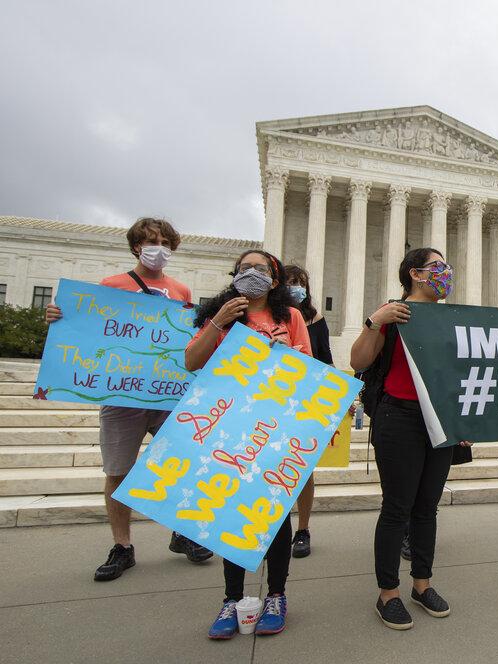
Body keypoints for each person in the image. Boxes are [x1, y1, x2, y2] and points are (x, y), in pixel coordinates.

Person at [44, 217, 213, 581]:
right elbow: (88, 328)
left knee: (181, 466)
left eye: (166, 242)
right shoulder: (112, 285)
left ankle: (182, 532)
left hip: (167, 396)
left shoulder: (181, 291)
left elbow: (186, 341)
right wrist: (59, 317)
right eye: (152, 241)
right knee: (118, 472)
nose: (159, 249)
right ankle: (123, 546)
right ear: (136, 246)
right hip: (121, 397)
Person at [186, 249, 310, 638]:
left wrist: (287, 355)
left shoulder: (289, 317)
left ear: (274, 280)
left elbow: (309, 369)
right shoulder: (219, 315)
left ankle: (276, 594)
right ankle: (231, 599)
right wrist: (218, 324)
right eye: (244, 269)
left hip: (274, 426)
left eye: (260, 268)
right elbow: (192, 361)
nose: (251, 273)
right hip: (230, 425)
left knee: (273, 515)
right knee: (230, 512)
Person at [351, 247, 470, 630]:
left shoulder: (451, 319)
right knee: (397, 508)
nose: (445, 272)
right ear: (415, 274)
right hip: (398, 417)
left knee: (427, 508)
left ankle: (422, 584)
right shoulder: (393, 313)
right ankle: (388, 593)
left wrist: (464, 422)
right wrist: (374, 322)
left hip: (440, 421)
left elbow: (459, 374)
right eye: (437, 266)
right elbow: (359, 362)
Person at [282, 265, 335, 559]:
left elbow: (326, 360)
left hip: (303, 402)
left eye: (300, 282)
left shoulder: (315, 319)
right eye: (290, 282)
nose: (295, 286)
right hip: (269, 402)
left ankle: (302, 529)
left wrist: (339, 398)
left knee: (302, 470)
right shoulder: (265, 317)